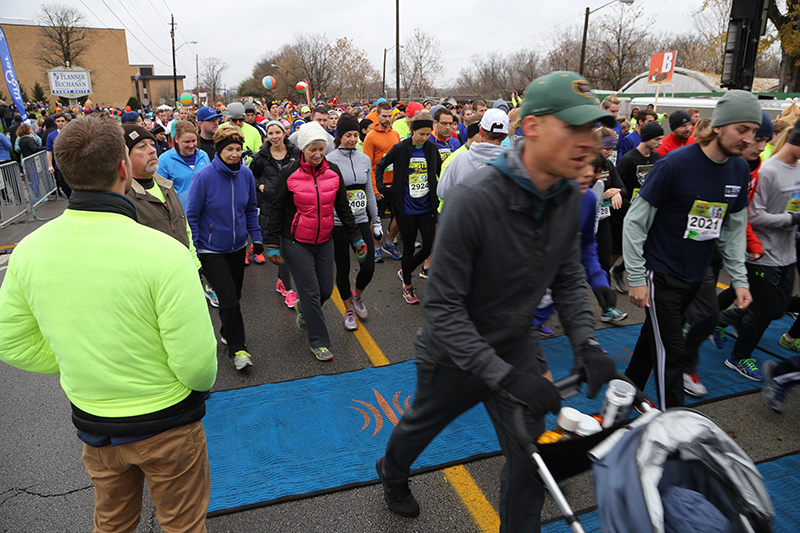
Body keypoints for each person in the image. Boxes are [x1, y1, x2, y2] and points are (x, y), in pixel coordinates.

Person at [376, 71, 616, 531]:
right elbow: (443, 308)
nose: (591, 143)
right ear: (531, 127)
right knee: (418, 428)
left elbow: (567, 276)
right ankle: (393, 470)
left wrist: (587, 344)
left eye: (594, 130)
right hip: (454, 356)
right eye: (575, 128)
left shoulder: (568, 194)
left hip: (517, 346)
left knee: (532, 460)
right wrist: (501, 375)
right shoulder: (475, 199)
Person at [0, 115, 217, 532]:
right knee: (182, 525)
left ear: (61, 171)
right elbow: (197, 365)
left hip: (95, 424)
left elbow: (11, 341)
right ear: (123, 168)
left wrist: (80, 358)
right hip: (167, 422)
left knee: (112, 523)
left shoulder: (30, 250)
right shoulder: (163, 254)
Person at [622, 90, 760, 408]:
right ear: (719, 127)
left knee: (653, 339)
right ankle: (676, 427)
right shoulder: (674, 165)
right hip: (663, 274)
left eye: (753, 131)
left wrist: (739, 279)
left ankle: (627, 391)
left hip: (697, 275)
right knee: (671, 353)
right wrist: (637, 277)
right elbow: (634, 222)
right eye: (742, 129)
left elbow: (734, 229)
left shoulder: (739, 169)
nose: (749, 138)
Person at [265, 122, 367, 361]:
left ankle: (303, 310)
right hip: (295, 242)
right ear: (303, 149)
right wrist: (271, 244)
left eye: (322, 149)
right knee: (311, 293)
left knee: (323, 290)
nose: (318, 154)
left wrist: (357, 238)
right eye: (313, 149)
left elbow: (342, 207)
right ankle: (319, 342)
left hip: (324, 240)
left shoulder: (333, 171)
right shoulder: (289, 173)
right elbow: (276, 209)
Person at [714, 116, 800, 380]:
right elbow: (750, 215)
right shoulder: (768, 171)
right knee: (762, 311)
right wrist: (791, 219)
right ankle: (738, 357)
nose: (760, 146)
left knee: (775, 309)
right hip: (761, 253)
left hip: (788, 253)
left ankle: (719, 320)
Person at [186, 123, 263, 371]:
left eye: (238, 149)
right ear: (219, 150)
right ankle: (238, 350)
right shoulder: (204, 176)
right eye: (229, 149)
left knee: (234, 297)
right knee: (228, 300)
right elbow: (192, 215)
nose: (234, 154)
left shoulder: (246, 175)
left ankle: (226, 330)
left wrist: (257, 237)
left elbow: (251, 209)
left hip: (238, 247)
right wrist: (195, 252)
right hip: (211, 250)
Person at [375, 111, 442, 304]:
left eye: (428, 134)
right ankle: (407, 286)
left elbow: (439, 171)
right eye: (421, 133)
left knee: (429, 244)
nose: (424, 138)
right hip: (406, 208)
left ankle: (405, 270)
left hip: (426, 206)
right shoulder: (401, 148)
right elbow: (381, 165)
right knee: (409, 248)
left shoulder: (431, 149)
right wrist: (381, 187)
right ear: (413, 131)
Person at [326, 113, 380, 330]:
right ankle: (348, 310)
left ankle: (357, 296)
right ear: (339, 136)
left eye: (355, 135)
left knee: (368, 266)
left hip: (360, 220)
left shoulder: (364, 159)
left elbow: (368, 191)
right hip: (339, 223)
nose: (351, 139)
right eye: (347, 135)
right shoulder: (329, 160)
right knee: (343, 268)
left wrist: (375, 221)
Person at [250, 119, 300, 308]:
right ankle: (288, 289)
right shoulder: (261, 156)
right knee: (280, 246)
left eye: (277, 132)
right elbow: (251, 175)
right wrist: (261, 186)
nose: (274, 137)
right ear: (266, 136)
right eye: (270, 133)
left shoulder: (295, 152)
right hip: (271, 205)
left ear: (284, 133)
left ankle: (281, 281)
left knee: (289, 247)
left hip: (293, 205)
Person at [363, 101, 402, 262]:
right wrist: (375, 189)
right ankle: (375, 247)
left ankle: (389, 242)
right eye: (384, 116)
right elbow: (368, 164)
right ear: (377, 116)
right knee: (376, 218)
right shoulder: (371, 137)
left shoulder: (395, 134)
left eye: (389, 116)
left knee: (400, 215)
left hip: (395, 183)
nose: (387, 119)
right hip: (378, 185)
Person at [157, 120, 211, 207]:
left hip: (205, 213)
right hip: (181, 215)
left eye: (194, 140)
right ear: (176, 139)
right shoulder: (164, 160)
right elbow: (160, 192)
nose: (191, 145)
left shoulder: (203, 156)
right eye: (186, 142)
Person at [46, 112, 71, 197]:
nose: (61, 123)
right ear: (55, 122)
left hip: (72, 165)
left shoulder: (72, 133)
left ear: (66, 121)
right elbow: (49, 151)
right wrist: (50, 165)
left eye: (62, 121)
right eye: (58, 121)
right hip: (59, 166)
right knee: (64, 186)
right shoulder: (51, 135)